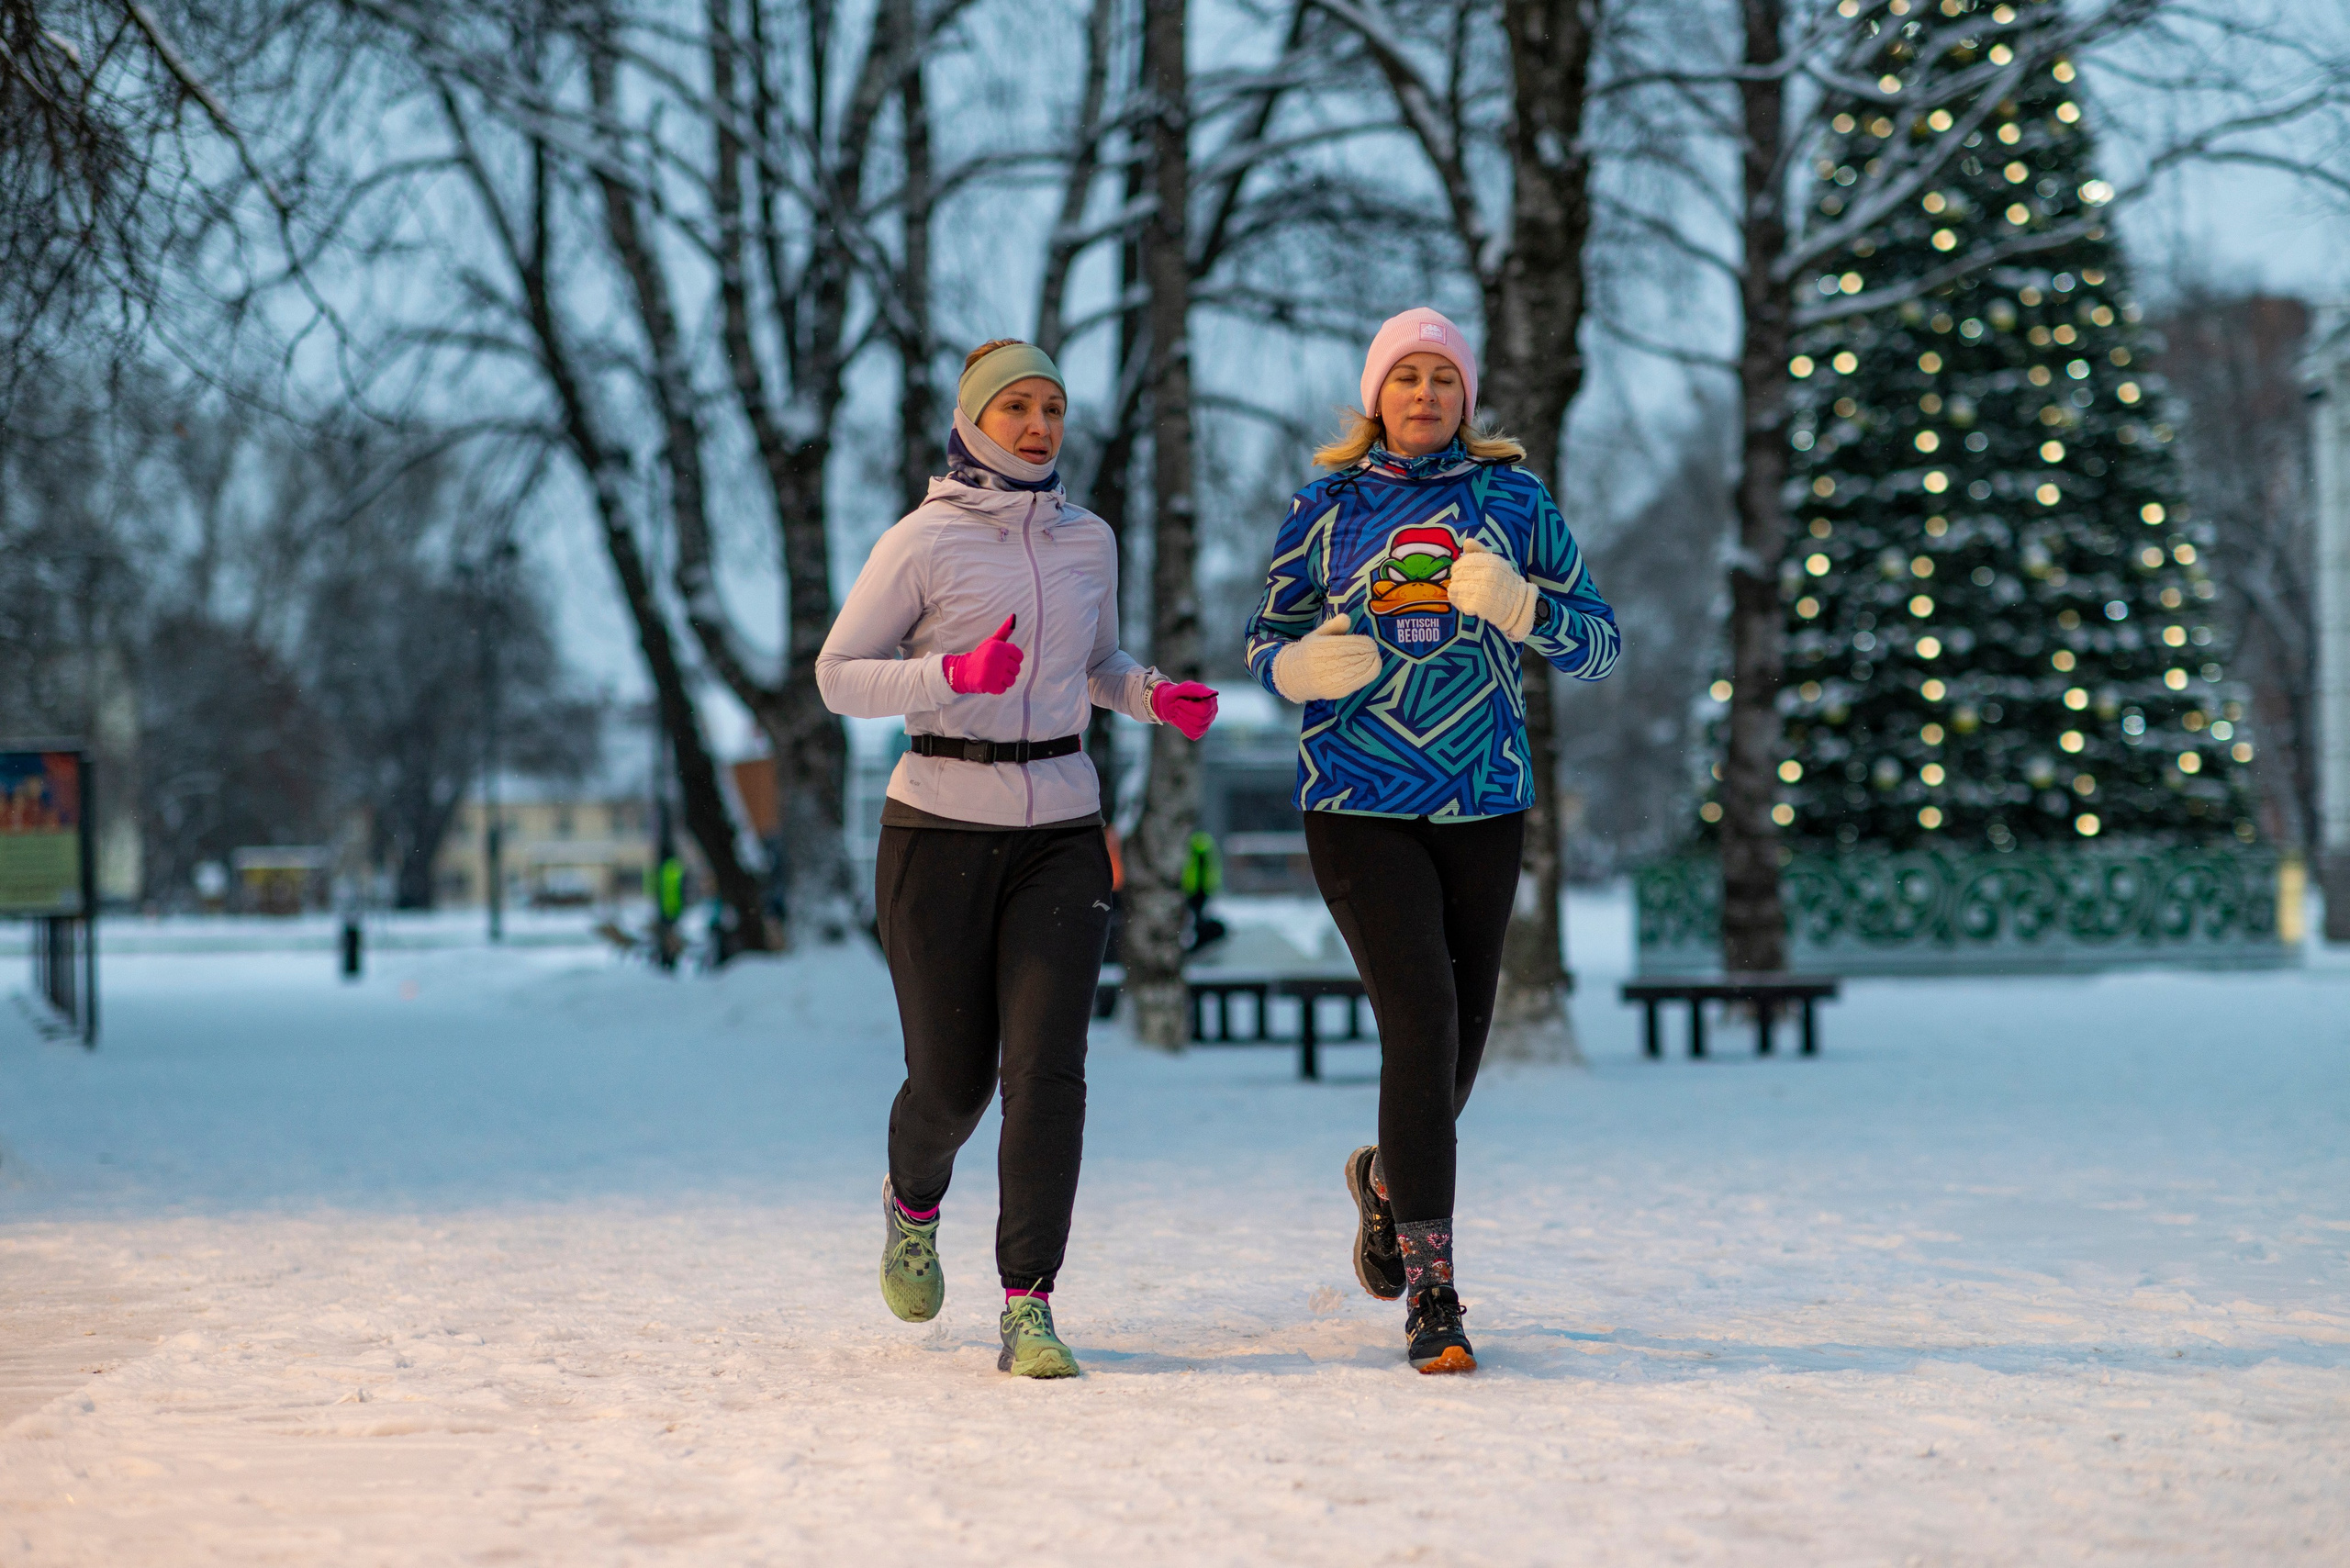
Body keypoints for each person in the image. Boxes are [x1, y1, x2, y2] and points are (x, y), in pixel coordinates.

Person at [817, 339, 1219, 1379]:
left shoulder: (1090, 540)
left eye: (1051, 407)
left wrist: (1148, 693)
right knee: (952, 1084)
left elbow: (1096, 665)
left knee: (1048, 1072)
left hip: (1062, 832)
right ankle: (914, 1203)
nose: (1037, 425)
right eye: (1016, 408)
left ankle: (1028, 1302)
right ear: (973, 421)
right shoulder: (922, 540)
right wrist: (949, 672)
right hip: (937, 822)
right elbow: (838, 676)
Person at [1242, 308, 1620, 1373]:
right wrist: (1292, 670)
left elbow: (1599, 643)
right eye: (1403, 377)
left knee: (1459, 1038)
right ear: (1375, 397)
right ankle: (1433, 1294)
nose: (1422, 395)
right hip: (1355, 797)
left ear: (1464, 397)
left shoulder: (1514, 500)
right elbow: (1262, 640)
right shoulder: (1324, 507)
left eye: (1441, 379)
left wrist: (1524, 607)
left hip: (1483, 799)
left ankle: (1388, 1183)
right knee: (1420, 1018)